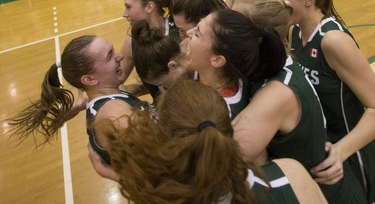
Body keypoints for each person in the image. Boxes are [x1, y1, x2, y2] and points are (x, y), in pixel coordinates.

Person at [185, 9, 367, 203]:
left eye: (197, 32)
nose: (188, 33)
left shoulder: (275, 94)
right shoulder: (260, 65)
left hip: (327, 193)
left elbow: (214, 163)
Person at [92, 79, 328, 204]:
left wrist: (118, 175)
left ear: (165, 137)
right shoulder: (290, 173)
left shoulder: (164, 195)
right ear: (227, 122)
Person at [276, 0, 375, 203]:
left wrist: (341, 151)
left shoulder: (332, 40)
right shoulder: (293, 32)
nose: (277, 2)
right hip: (322, 147)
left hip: (351, 150)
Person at [8, 35, 153, 178]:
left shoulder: (106, 97)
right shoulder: (115, 116)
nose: (120, 56)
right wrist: (107, 173)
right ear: (89, 79)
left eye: (113, 50)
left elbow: (141, 88)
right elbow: (154, 173)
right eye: (110, 56)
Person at [120, 0, 179, 99]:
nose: (124, 14)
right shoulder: (131, 43)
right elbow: (110, 83)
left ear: (149, 7)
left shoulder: (180, 32)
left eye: (128, 7)